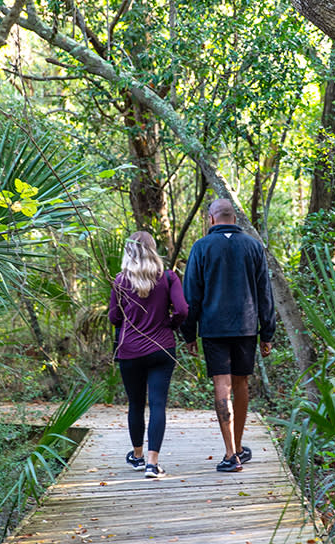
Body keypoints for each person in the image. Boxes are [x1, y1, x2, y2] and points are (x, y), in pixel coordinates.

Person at [180, 199, 275, 472]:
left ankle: (231, 453)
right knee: (241, 384)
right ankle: (239, 446)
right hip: (246, 327)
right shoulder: (254, 246)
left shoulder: (201, 247)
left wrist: (189, 333)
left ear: (211, 219)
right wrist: (267, 332)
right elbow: (264, 293)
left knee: (222, 385)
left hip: (214, 327)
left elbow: (191, 295)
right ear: (234, 218)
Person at [108, 231, 188, 478]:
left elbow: (114, 317)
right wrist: (170, 325)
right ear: (153, 250)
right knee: (157, 404)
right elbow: (183, 310)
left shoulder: (120, 281)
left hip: (130, 350)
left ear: (128, 252)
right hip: (162, 348)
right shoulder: (168, 278)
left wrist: (131, 320)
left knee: (135, 404)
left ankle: (138, 457)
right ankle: (153, 464)